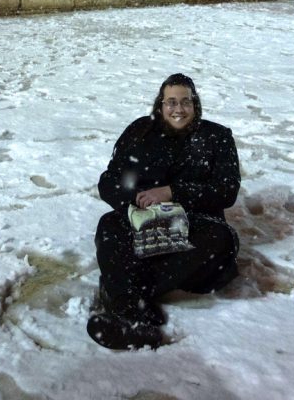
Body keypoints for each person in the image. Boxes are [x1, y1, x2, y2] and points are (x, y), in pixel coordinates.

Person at [89, 74, 241, 350]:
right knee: (109, 227)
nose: (178, 109)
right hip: (143, 220)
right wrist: (133, 200)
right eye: (171, 102)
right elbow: (108, 181)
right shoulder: (139, 132)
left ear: (196, 105)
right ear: (160, 105)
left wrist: (172, 192)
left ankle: (123, 297)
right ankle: (132, 318)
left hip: (194, 224)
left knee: (221, 241)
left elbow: (226, 190)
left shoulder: (217, 137)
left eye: (185, 102)